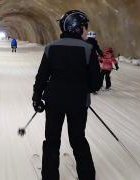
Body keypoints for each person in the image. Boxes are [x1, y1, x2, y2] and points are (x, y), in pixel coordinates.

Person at [32, 10, 101, 180]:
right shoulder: (88, 49)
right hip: (78, 104)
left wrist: (36, 98)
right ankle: (87, 176)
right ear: (77, 28)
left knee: (52, 140)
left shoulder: (51, 48)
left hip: (53, 102)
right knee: (78, 140)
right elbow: (95, 84)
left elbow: (41, 76)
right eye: (85, 27)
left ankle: (49, 176)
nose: (87, 31)